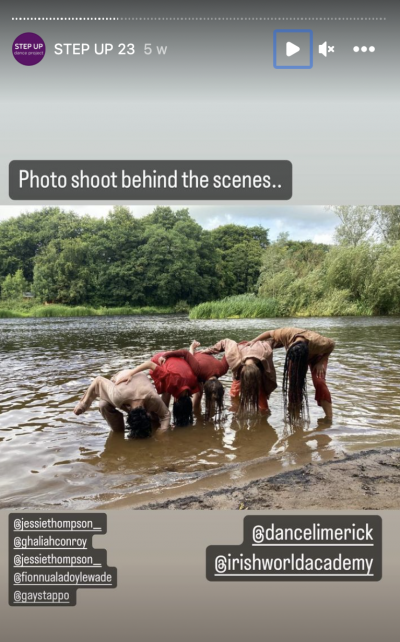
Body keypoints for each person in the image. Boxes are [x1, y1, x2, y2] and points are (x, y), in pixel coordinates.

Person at [249, 327, 335, 421]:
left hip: (317, 357)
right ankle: (294, 414)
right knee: (294, 384)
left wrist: (321, 362)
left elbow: (332, 345)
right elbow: (269, 333)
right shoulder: (286, 332)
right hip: (295, 357)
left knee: (319, 382)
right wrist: (253, 341)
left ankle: (329, 418)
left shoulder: (318, 342)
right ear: (291, 345)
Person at [73, 370, 170, 438]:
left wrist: (162, 430)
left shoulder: (153, 398)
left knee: (156, 419)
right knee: (103, 405)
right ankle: (118, 432)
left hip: (139, 383)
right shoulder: (117, 396)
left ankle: (132, 434)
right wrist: (83, 405)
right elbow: (98, 380)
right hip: (120, 381)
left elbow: (166, 414)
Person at [114, 352, 200, 427]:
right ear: (176, 400)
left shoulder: (193, 382)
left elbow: (188, 356)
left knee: (171, 387)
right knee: (167, 388)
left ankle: (163, 413)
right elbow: (149, 364)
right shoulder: (170, 379)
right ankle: (161, 415)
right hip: (159, 360)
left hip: (174, 363)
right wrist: (130, 373)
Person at [199, 338, 277, 415]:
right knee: (234, 395)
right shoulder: (234, 353)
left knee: (262, 400)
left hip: (256, 368)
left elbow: (274, 340)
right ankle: (235, 409)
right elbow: (225, 342)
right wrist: (210, 350)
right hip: (240, 368)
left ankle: (263, 412)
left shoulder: (264, 351)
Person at [161, 341, 228, 419]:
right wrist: (165, 355)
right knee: (198, 395)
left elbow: (228, 353)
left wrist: (212, 350)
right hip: (197, 361)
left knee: (213, 394)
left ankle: (210, 416)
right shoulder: (197, 370)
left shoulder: (223, 369)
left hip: (204, 358)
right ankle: (195, 414)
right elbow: (185, 353)